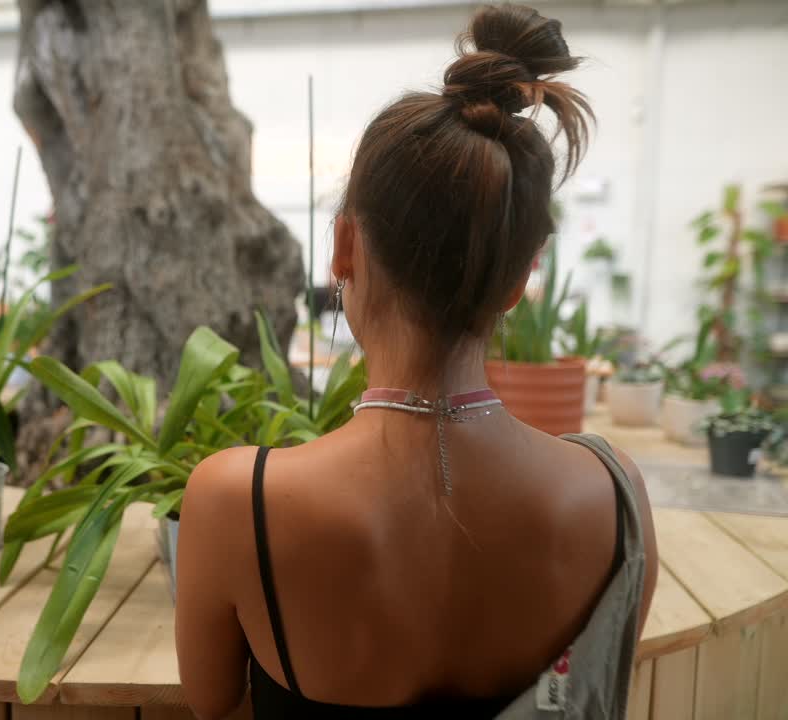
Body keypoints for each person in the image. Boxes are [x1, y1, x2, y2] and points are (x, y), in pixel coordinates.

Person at [174, 4, 658, 718]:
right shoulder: (614, 500)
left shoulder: (235, 503)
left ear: (344, 249)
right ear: (522, 277)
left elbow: (213, 704)